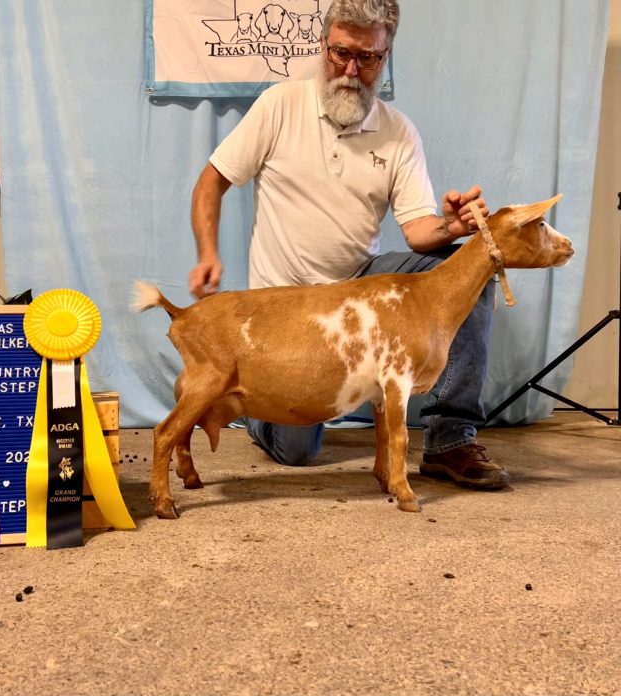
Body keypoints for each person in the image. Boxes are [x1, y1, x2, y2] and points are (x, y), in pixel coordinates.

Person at [187, 0, 509, 490]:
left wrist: (451, 228)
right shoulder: (279, 106)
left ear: (386, 56)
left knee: (467, 269)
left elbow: (418, 232)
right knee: (296, 452)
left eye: (368, 58)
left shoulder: (399, 132)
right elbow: (211, 181)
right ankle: (257, 407)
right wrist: (208, 254)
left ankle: (450, 439)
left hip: (357, 292)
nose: (352, 70)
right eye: (341, 53)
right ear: (323, 46)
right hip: (287, 305)